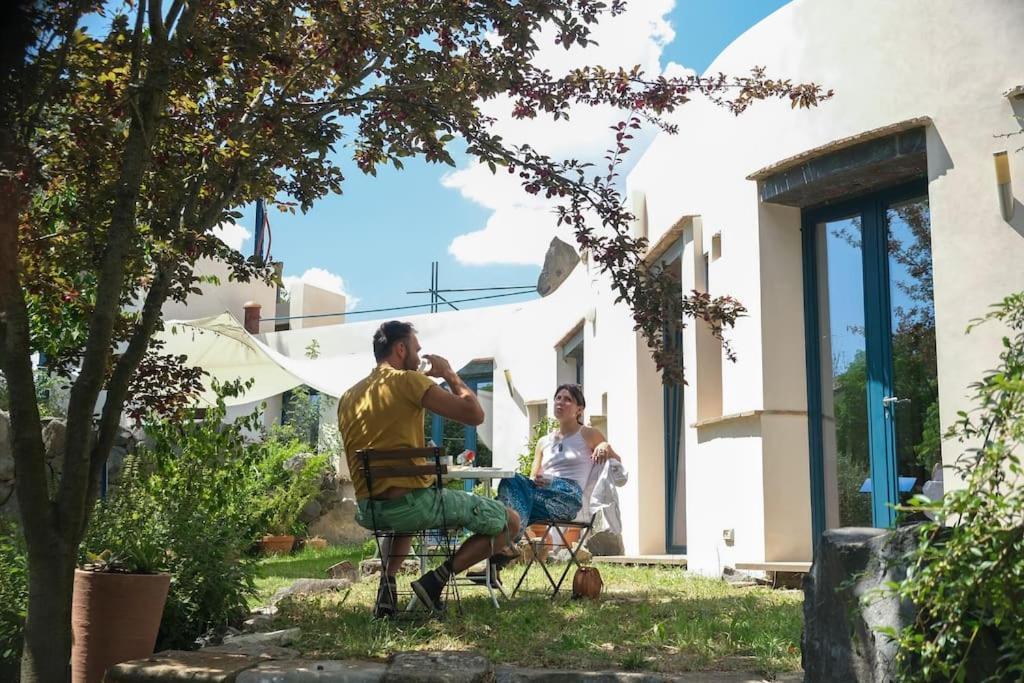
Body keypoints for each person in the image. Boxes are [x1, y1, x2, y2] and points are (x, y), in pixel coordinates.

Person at [337, 321, 521, 616]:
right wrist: (449, 374)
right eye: (416, 349)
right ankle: (435, 581)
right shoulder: (408, 381)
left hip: (370, 509)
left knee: (407, 513)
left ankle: (387, 585)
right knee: (510, 522)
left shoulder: (349, 396)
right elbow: (474, 414)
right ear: (400, 349)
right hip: (412, 505)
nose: (419, 355)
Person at [495, 383, 621, 566]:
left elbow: (618, 466)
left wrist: (605, 446)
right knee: (510, 480)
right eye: (558, 398)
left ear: (579, 409)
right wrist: (539, 483)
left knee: (515, 499)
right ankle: (505, 545)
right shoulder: (543, 442)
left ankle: (504, 546)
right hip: (544, 499)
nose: (560, 402)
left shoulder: (588, 434)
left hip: (570, 499)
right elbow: (532, 479)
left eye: (568, 399)